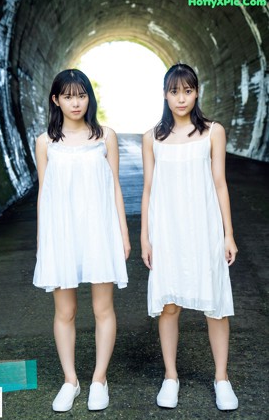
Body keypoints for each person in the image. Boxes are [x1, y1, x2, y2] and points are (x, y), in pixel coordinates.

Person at [141, 63, 238, 411]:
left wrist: (228, 235)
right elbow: (148, 189)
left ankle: (221, 378)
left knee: (215, 306)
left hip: (205, 228)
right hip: (168, 230)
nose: (181, 98)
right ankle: (171, 376)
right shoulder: (152, 137)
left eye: (187, 90)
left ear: (197, 93)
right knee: (169, 305)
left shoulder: (213, 131)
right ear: (165, 95)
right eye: (174, 91)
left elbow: (219, 184)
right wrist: (145, 238)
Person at [33, 69, 130, 412]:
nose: (76, 103)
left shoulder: (106, 136)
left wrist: (123, 233)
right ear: (56, 100)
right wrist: (44, 240)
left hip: (99, 231)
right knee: (65, 311)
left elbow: (115, 187)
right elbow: (44, 193)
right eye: (68, 96)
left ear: (90, 97)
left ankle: (99, 379)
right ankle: (70, 381)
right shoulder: (45, 142)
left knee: (103, 308)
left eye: (82, 95)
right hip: (62, 233)